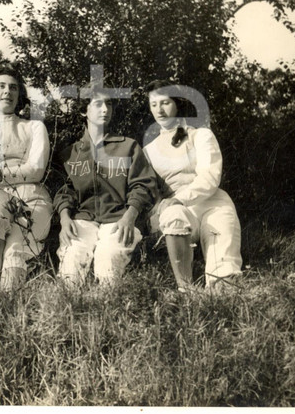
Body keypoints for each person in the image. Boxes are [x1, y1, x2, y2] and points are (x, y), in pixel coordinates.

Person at [53, 81, 157, 286]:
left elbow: (143, 184)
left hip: (118, 219)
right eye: (98, 104)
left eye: (109, 104)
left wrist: (130, 216)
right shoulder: (71, 153)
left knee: (108, 261)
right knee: (71, 262)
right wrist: (65, 219)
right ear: (84, 111)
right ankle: (68, 311)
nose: (105, 109)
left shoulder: (128, 146)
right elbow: (65, 191)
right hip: (82, 220)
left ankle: (106, 308)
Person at [143, 80, 242, 290]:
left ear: (177, 103)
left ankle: (220, 290)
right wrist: (158, 210)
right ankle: (186, 290)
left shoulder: (200, 135)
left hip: (212, 203)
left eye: (165, 103)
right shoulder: (149, 151)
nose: (159, 110)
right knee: (172, 215)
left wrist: (179, 198)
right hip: (177, 210)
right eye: (153, 105)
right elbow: (152, 192)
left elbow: (210, 177)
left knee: (224, 279)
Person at [0, 66, 52, 292]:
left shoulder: (34, 127)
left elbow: (35, 170)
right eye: (1, 86)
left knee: (17, 242)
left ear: (19, 94)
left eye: (13, 87)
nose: (7, 92)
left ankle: (8, 301)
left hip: (31, 197)